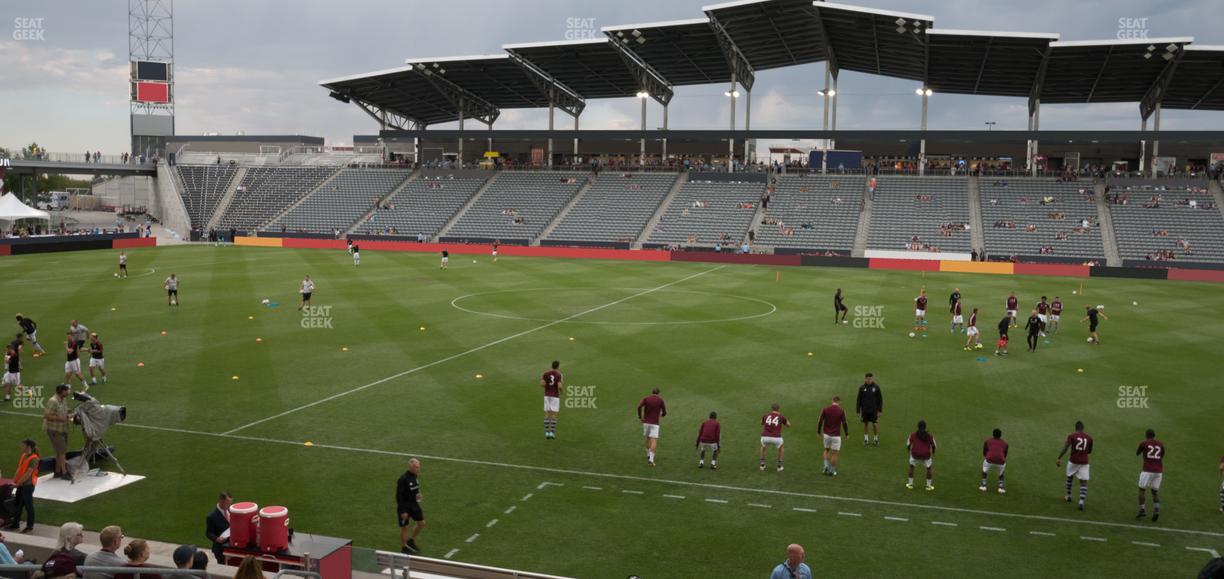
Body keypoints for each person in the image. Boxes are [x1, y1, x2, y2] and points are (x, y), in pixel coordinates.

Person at [1056, 420, 1093, 510]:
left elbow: (1066, 447)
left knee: (1069, 477)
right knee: (1084, 481)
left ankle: (1068, 496)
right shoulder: (1089, 438)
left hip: (1073, 461)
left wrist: (1059, 458)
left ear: (1075, 428)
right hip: (1084, 462)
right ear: (1083, 428)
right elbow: (1089, 451)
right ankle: (1081, 501)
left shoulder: (1072, 436)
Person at [7, 439, 38, 532]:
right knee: (18, 504)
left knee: (28, 506)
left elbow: (28, 474)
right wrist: (14, 480)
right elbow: (20, 469)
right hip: (21, 484)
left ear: (28, 447)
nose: (21, 447)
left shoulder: (33, 458)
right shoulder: (24, 455)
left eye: (23, 445)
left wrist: (17, 484)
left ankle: (30, 525)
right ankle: (15, 523)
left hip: (27, 486)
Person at [397, 458, 425, 554]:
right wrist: (403, 511)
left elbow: (415, 488)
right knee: (404, 527)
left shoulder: (415, 476)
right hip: (405, 506)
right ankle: (404, 547)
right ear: (410, 467)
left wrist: (418, 494)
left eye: (418, 467)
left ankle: (411, 540)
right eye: (416, 467)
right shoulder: (403, 479)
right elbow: (399, 496)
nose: (418, 469)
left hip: (414, 504)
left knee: (421, 523)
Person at [1136, 429, 1165, 521]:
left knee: (1142, 490)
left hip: (1147, 470)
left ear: (1146, 435)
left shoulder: (1144, 443)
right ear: (1154, 435)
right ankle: (1156, 510)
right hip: (1158, 472)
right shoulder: (1160, 444)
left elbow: (1137, 453)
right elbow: (1162, 455)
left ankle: (1142, 509)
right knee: (1154, 492)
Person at [44, 384, 72, 478]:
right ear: (62, 391)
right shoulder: (53, 401)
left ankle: (57, 471)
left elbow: (62, 410)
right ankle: (64, 473)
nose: (68, 392)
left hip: (62, 429)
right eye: (67, 390)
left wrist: (70, 411)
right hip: (54, 430)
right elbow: (47, 415)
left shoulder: (63, 399)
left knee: (59, 452)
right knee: (62, 451)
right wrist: (61, 418)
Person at [817, 396, 848, 476]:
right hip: (836, 436)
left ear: (832, 401)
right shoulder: (841, 411)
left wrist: (818, 431)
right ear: (839, 402)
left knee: (826, 450)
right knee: (834, 453)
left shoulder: (825, 409)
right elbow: (844, 423)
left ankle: (826, 466)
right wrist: (846, 433)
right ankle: (832, 470)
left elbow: (820, 421)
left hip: (826, 434)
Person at [637, 388, 666, 467]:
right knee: (654, 440)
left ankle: (648, 455)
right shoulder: (660, 400)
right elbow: (664, 412)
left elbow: (639, 407)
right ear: (658, 393)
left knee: (648, 438)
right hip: (655, 424)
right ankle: (651, 460)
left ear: (652, 393)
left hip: (646, 423)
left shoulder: (646, 398)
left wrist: (640, 417)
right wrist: (661, 415)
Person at [906, 420, 936, 491]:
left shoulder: (913, 434)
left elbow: (908, 444)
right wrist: (933, 452)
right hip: (926, 455)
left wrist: (908, 450)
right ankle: (928, 486)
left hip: (915, 454)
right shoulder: (929, 436)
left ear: (918, 427)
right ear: (925, 427)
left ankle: (910, 484)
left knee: (911, 466)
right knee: (928, 468)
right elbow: (934, 445)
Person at [759, 403, 789, 472]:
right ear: (778, 409)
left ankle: (762, 465)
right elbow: (788, 425)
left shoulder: (766, 415)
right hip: (776, 438)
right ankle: (779, 466)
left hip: (765, 436)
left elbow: (761, 423)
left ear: (772, 408)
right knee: (781, 448)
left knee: (763, 447)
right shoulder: (781, 416)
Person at [856, 373, 883, 447]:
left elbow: (880, 399)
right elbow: (859, 400)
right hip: (865, 410)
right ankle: (866, 439)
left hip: (874, 410)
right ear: (865, 379)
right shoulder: (862, 388)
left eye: (870, 379)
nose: (869, 380)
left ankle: (875, 439)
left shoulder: (876, 387)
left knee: (874, 424)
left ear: (872, 379)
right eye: (868, 379)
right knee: (865, 424)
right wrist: (858, 410)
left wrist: (880, 410)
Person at [205, 491, 232, 563]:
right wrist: (217, 539)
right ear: (221, 501)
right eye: (227, 503)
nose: (229, 505)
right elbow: (209, 533)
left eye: (230, 503)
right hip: (221, 549)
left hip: (231, 546)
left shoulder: (230, 510)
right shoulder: (212, 517)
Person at [980, 429, 1009, 493]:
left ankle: (983, 486)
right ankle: (1000, 488)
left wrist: (988, 457)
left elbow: (984, 452)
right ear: (1001, 435)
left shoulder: (987, 441)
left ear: (993, 434)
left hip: (989, 460)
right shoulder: (1005, 443)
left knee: (984, 471)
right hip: (1001, 461)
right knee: (1001, 474)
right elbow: (1005, 454)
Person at [540, 361, 562, 439]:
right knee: (554, 414)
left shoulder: (545, 374)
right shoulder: (559, 375)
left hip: (547, 396)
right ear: (558, 366)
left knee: (546, 414)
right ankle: (552, 433)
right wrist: (562, 391)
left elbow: (542, 384)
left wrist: (547, 387)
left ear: (551, 365)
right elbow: (559, 386)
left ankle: (546, 432)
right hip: (555, 396)